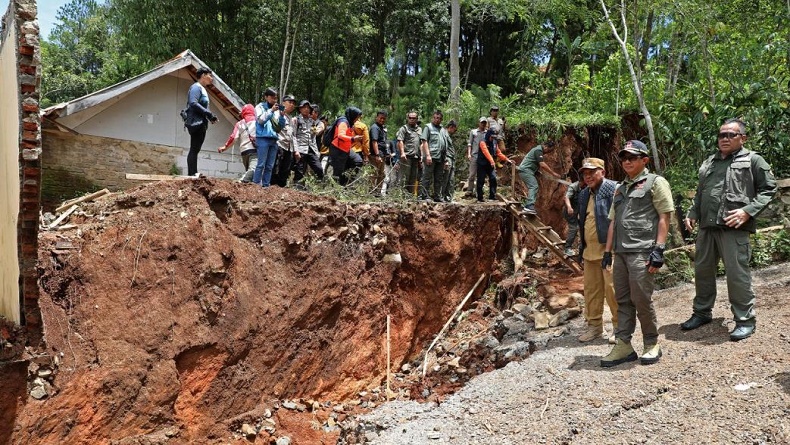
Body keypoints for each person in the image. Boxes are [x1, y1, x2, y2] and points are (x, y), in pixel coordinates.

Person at [680, 118, 777, 341]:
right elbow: (701, 191)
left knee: (737, 275)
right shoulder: (710, 162)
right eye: (721, 134)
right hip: (707, 228)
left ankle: (744, 320)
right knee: (703, 272)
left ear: (743, 138)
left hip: (734, 228)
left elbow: (769, 189)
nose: (724, 138)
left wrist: (748, 211)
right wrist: (693, 211)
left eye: (730, 135)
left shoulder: (754, 160)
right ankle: (702, 313)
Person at [600, 140, 674, 367]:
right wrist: (607, 252)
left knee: (641, 299)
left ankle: (651, 343)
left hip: (642, 251)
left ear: (644, 160)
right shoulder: (620, 188)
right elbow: (613, 221)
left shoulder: (655, 182)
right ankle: (624, 344)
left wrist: (659, 250)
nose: (626, 162)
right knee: (622, 300)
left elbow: (665, 216)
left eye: (632, 157)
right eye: (623, 158)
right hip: (621, 253)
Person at [575, 159, 617, 343]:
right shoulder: (584, 194)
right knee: (591, 291)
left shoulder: (614, 190)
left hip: (610, 250)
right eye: (585, 173)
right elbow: (582, 221)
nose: (588, 176)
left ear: (603, 171)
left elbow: (618, 221)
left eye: (592, 172)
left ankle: (620, 327)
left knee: (613, 290)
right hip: (589, 251)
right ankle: (594, 327)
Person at [184, 67, 218, 176]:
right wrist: (208, 114)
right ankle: (192, 174)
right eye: (210, 75)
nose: (211, 78)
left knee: (195, 148)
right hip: (196, 122)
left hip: (201, 122)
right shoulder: (196, 87)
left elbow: (202, 107)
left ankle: (193, 173)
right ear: (203, 75)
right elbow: (193, 103)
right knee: (194, 148)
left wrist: (210, 117)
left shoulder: (202, 89)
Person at [516, 141, 562, 215]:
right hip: (525, 171)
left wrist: (536, 172)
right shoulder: (538, 150)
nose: (548, 152)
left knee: (533, 186)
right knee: (533, 186)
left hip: (527, 170)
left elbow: (533, 162)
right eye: (549, 150)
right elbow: (542, 164)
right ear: (546, 146)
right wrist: (553, 173)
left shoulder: (538, 150)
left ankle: (528, 206)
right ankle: (529, 206)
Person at [254, 88, 286, 187]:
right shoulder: (260, 107)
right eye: (272, 97)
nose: (274, 100)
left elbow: (279, 128)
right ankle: (255, 185)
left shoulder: (276, 110)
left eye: (276, 98)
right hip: (262, 138)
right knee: (260, 164)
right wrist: (271, 111)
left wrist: (281, 117)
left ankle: (266, 185)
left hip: (274, 139)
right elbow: (261, 120)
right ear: (266, 97)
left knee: (270, 166)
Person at [218, 104, 257, 183]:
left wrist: (225, 147)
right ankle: (240, 182)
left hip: (244, 152)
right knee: (253, 170)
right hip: (255, 150)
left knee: (249, 173)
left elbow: (233, 138)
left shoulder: (239, 123)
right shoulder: (257, 121)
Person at [329, 106, 365, 185]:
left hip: (346, 149)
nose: (357, 120)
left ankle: (345, 184)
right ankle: (334, 190)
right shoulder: (343, 122)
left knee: (358, 161)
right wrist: (353, 139)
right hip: (338, 149)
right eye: (356, 118)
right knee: (338, 173)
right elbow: (340, 135)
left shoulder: (350, 123)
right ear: (352, 115)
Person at [292, 100, 323, 186]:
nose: (306, 109)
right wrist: (296, 151)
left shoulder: (312, 121)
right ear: (300, 109)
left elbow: (313, 137)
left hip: (311, 149)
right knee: (300, 171)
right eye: (304, 107)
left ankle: (318, 186)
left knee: (319, 169)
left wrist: (316, 152)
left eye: (308, 108)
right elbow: (293, 136)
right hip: (301, 149)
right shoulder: (296, 120)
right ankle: (298, 190)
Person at [476, 129, 512, 202]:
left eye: (494, 137)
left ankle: (492, 196)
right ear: (488, 135)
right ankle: (480, 197)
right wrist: (492, 161)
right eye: (492, 137)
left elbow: (498, 152)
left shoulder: (494, 142)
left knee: (493, 178)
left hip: (490, 164)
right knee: (481, 180)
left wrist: (507, 159)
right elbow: (486, 152)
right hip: (482, 164)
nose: (493, 139)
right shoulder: (483, 142)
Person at [419, 110, 446, 202]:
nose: (437, 120)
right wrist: (427, 155)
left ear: (441, 119)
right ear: (432, 118)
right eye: (435, 118)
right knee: (427, 176)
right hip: (431, 156)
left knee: (438, 178)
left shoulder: (442, 129)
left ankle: (437, 196)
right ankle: (424, 196)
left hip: (441, 157)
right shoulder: (428, 127)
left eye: (439, 118)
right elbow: (424, 141)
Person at [271, 95, 297, 187]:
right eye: (290, 102)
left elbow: (293, 136)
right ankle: (272, 188)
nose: (292, 105)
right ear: (283, 103)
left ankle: (281, 189)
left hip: (289, 148)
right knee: (275, 167)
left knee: (286, 170)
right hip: (279, 145)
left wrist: (296, 150)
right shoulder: (277, 114)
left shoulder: (291, 119)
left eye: (294, 103)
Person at [396, 111, 423, 196]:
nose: (411, 119)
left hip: (416, 158)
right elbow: (400, 141)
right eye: (410, 118)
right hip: (406, 157)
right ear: (407, 118)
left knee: (413, 178)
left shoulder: (419, 129)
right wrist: (402, 153)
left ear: (416, 119)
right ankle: (401, 196)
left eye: (413, 118)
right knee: (404, 178)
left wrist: (422, 156)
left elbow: (421, 143)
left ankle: (409, 197)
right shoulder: (404, 128)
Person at [465, 117, 488, 197]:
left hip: (484, 157)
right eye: (482, 122)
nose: (483, 124)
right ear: (479, 123)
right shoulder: (473, 132)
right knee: (472, 174)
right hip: (474, 155)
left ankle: (479, 191)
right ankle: (469, 190)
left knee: (481, 175)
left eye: (485, 123)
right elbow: (469, 144)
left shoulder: (487, 133)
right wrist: (469, 154)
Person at [369, 110, 389, 195]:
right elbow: (374, 142)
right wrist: (377, 155)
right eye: (380, 118)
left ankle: (377, 193)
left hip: (382, 155)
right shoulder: (375, 128)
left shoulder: (382, 128)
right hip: (375, 156)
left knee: (381, 175)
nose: (382, 120)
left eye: (384, 118)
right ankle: (371, 192)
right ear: (376, 117)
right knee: (373, 174)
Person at [563, 180, 583, 256]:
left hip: (578, 212)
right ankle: (567, 248)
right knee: (574, 228)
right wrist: (569, 207)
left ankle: (582, 248)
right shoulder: (573, 186)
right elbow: (567, 197)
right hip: (570, 212)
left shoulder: (587, 187)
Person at [440, 120, 458, 202]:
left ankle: (448, 198)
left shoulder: (448, 135)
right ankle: (441, 196)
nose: (455, 132)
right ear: (451, 127)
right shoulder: (443, 133)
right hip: (447, 159)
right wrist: (445, 160)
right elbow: (443, 148)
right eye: (455, 129)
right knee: (445, 179)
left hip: (452, 159)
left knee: (451, 180)